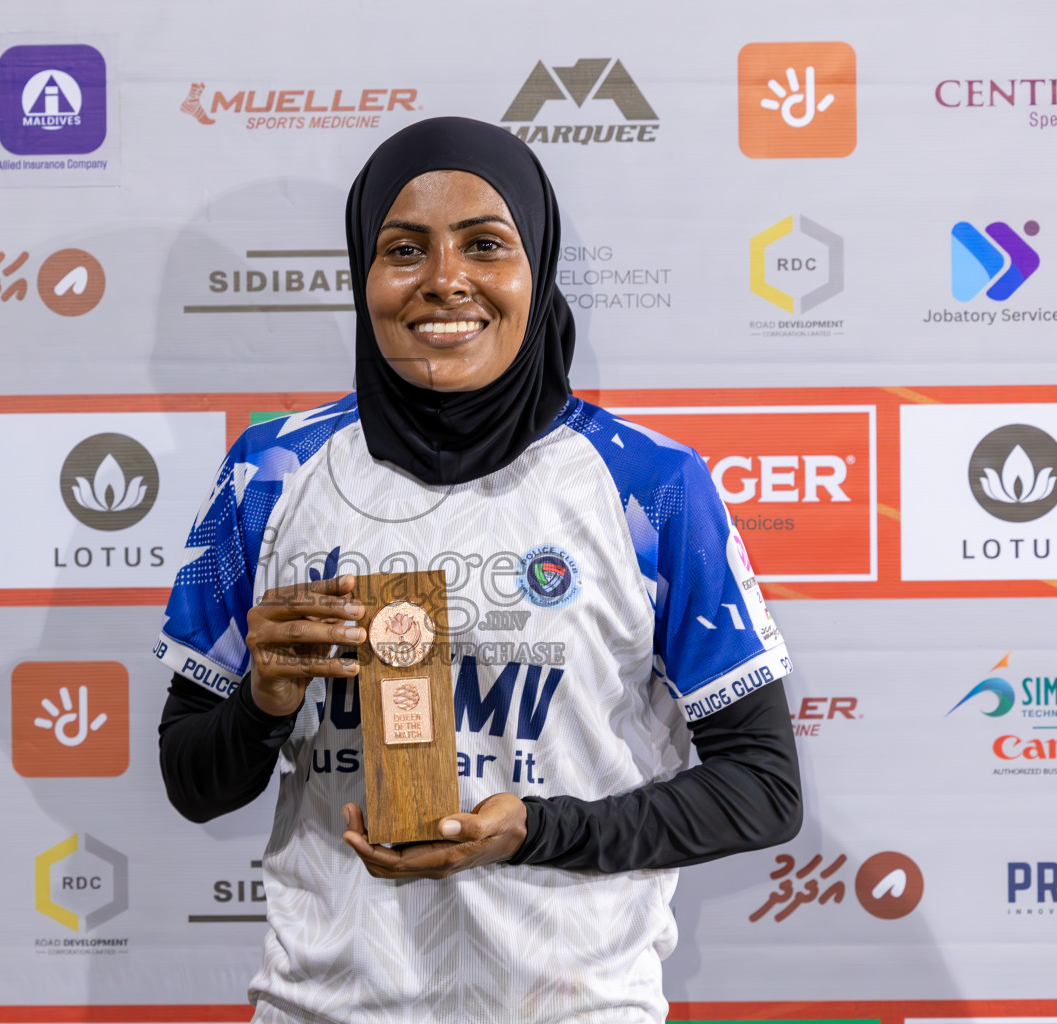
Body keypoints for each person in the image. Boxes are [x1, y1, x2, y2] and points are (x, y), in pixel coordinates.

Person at [157, 116, 801, 1024]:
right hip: (328, 1007)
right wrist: (261, 703)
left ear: (535, 270)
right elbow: (191, 783)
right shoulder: (271, 473)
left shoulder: (650, 485)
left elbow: (764, 790)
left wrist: (535, 830)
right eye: (404, 249)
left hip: (575, 1008)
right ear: (362, 275)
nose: (444, 280)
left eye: (485, 245)